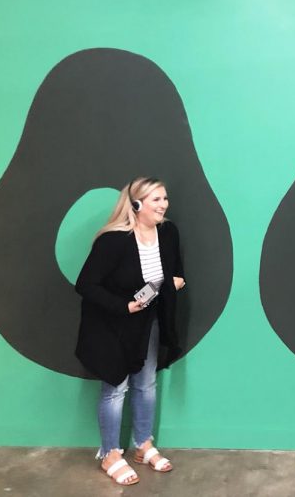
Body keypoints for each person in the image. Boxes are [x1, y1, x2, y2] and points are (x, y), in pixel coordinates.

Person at [75, 177, 187, 486]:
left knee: (146, 384)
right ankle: (110, 453)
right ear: (136, 205)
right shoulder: (113, 240)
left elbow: (176, 271)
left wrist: (175, 283)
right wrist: (123, 306)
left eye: (165, 198)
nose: (163, 204)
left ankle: (143, 444)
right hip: (111, 324)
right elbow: (85, 285)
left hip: (149, 322)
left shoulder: (168, 233)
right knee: (116, 387)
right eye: (156, 200)